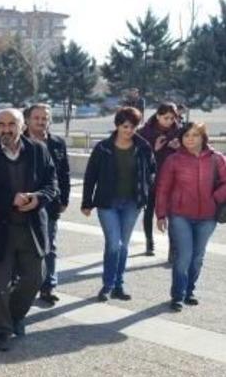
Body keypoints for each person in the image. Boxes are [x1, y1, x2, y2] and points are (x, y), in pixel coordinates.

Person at [0, 108, 58, 351]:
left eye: (11, 124)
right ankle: (3, 329)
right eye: (1, 125)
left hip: (31, 228)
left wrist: (38, 197)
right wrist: (10, 199)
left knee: (35, 277)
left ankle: (16, 315)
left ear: (22, 125)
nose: (6, 129)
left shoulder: (39, 150)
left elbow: (52, 183)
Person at [82, 107, 155, 302]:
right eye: (125, 126)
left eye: (133, 127)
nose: (129, 130)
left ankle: (118, 285)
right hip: (108, 203)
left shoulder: (143, 147)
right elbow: (90, 176)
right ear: (117, 125)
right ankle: (107, 285)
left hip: (132, 203)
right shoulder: (103, 147)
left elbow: (152, 171)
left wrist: (146, 190)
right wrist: (86, 202)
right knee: (114, 244)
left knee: (123, 246)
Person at [155, 122, 226, 311]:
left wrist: (215, 197)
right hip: (180, 216)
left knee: (197, 257)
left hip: (208, 217)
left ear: (203, 137)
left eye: (195, 135)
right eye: (186, 135)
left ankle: (189, 291)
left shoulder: (216, 159)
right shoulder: (173, 160)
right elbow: (163, 188)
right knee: (184, 256)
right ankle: (177, 295)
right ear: (181, 139)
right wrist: (160, 214)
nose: (190, 139)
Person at [24, 104, 71, 305]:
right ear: (27, 120)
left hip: (50, 203)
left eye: (45, 118)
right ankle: (20, 282)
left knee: (49, 245)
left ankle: (48, 286)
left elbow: (64, 174)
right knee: (22, 246)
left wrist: (64, 199)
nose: (41, 121)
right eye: (37, 118)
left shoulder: (58, 143)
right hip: (23, 202)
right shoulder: (19, 141)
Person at [138, 103, 181, 257]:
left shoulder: (180, 131)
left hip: (172, 178)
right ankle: (149, 242)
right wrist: (154, 149)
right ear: (157, 116)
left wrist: (179, 148)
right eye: (166, 118)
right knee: (149, 210)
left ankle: (172, 248)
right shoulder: (144, 132)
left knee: (172, 212)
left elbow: (189, 152)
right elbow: (138, 156)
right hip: (151, 177)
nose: (169, 121)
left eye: (172, 118)